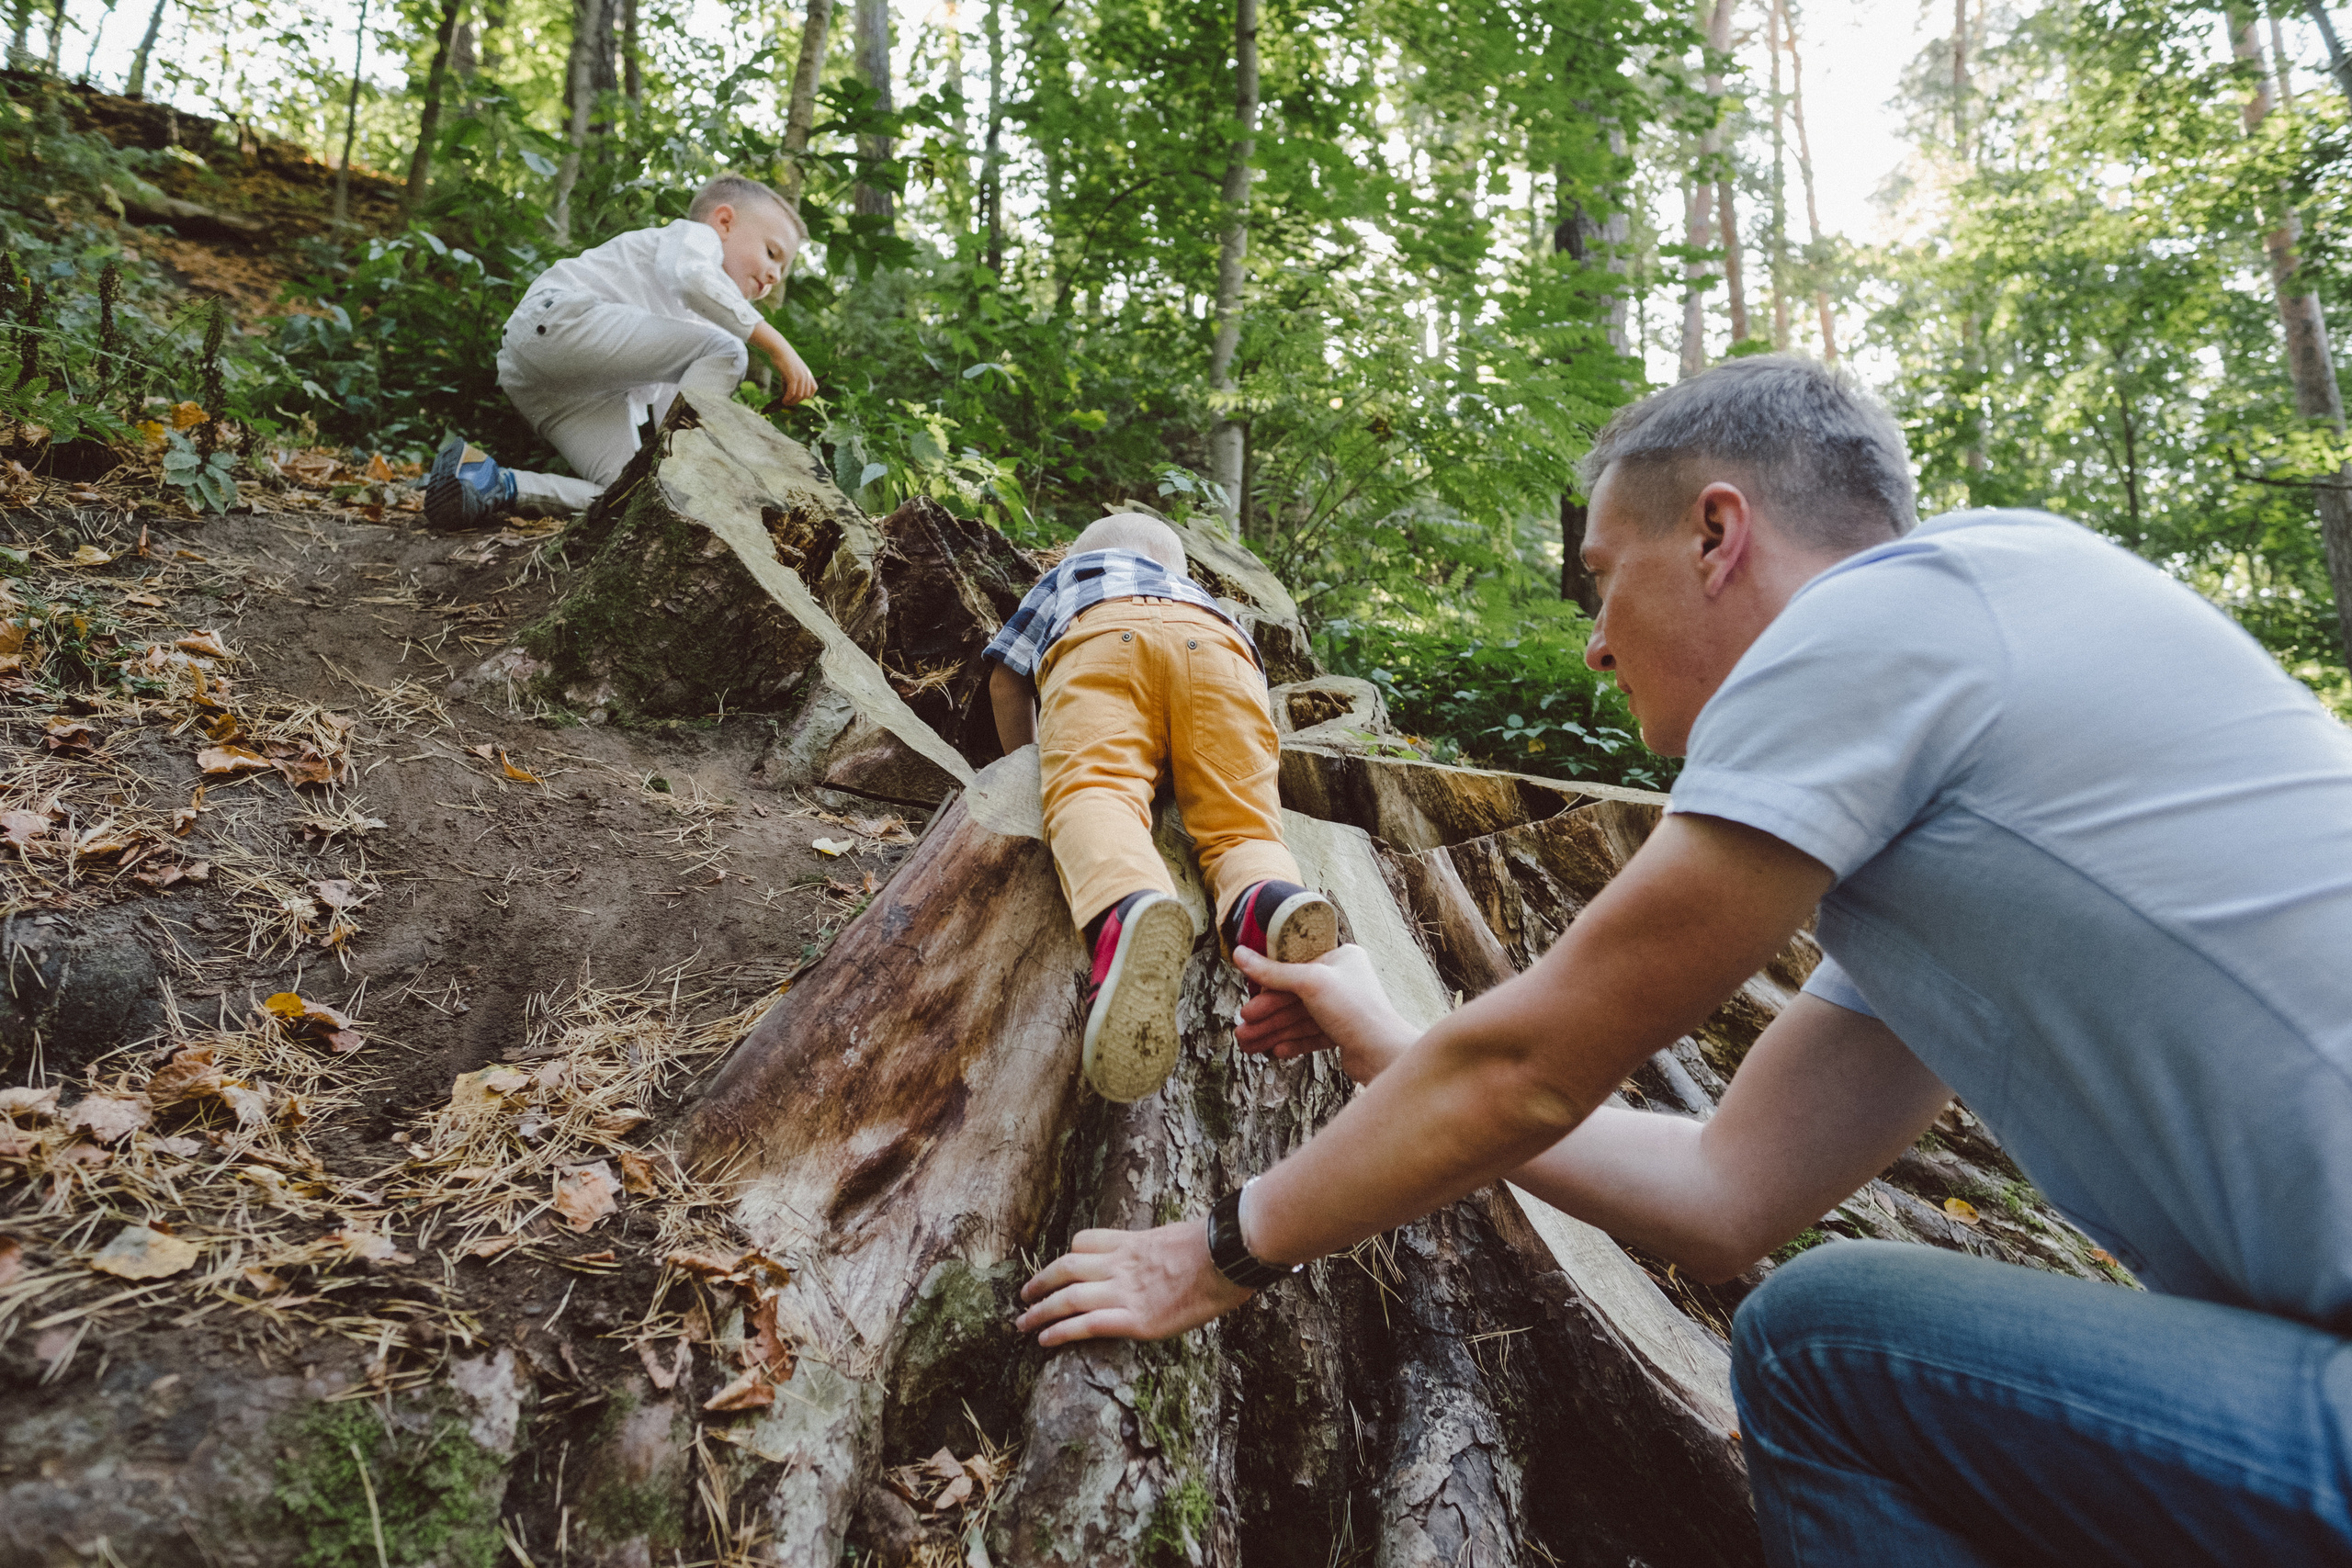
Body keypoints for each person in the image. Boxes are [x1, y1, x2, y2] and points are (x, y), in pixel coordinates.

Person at [1012, 355, 2352, 1566]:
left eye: (1604, 575)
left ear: (1719, 532)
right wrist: (1385, 1039)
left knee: (1827, 1348)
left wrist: (1218, 1251)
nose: (1595, 640)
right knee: (1822, 1334)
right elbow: (1726, 1192)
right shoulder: (1971, 757)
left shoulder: (1883, 620)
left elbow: (1532, 1069)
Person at [985, 511, 1342, 1103]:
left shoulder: (1071, 578)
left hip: (1103, 640)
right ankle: (1265, 903)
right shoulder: (1203, 598)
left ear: (1077, 553)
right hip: (1224, 658)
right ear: (1174, 569)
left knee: (1096, 793)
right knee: (1242, 825)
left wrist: (1030, 761)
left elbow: (1005, 678)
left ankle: (1126, 908)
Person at [424, 172, 819, 530]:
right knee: (731, 350)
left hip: (557, 386)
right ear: (725, 222)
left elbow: (675, 423)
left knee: (639, 496)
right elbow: (692, 278)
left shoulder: (697, 340)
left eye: (782, 273)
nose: (773, 277)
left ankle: (491, 482)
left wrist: (684, 480)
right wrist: (778, 347)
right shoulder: (694, 240)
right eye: (771, 253)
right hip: (563, 323)